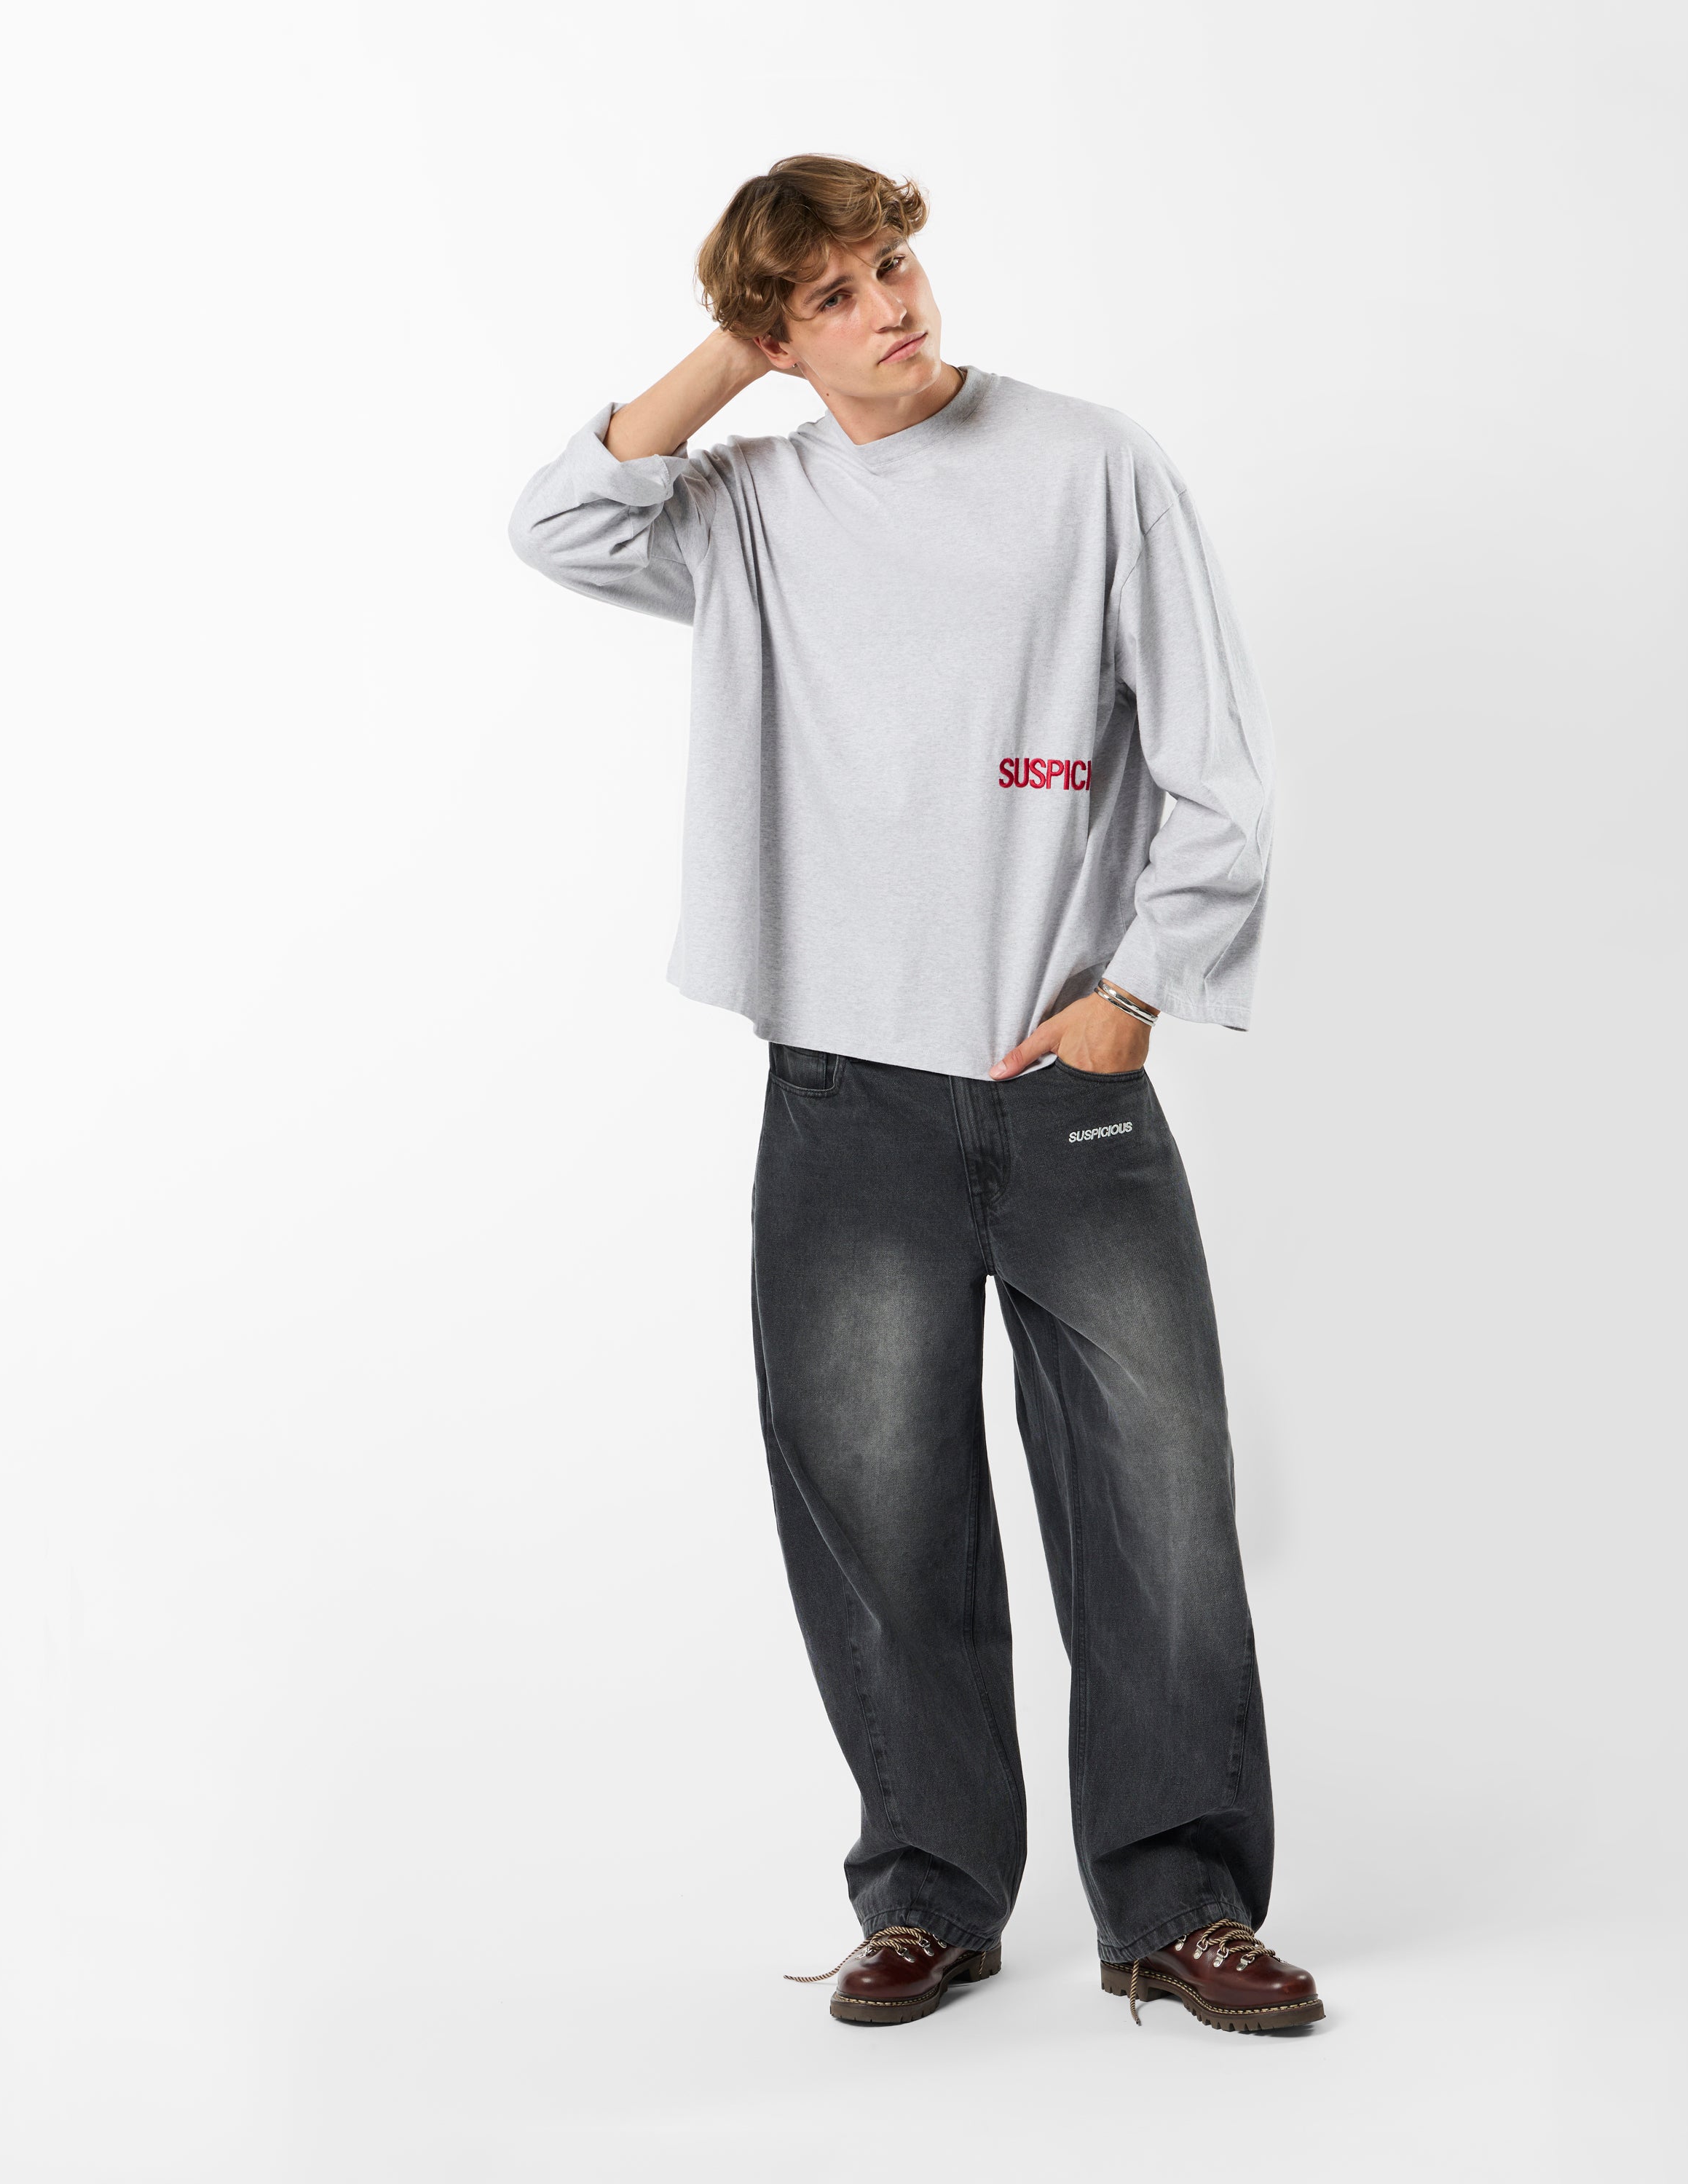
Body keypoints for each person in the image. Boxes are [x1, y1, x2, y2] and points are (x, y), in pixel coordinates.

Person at [508, 155, 1321, 2035]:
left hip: (1066, 1083)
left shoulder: (1091, 465)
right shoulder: (750, 509)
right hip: (843, 1091)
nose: (894, 306)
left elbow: (1217, 760)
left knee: (1158, 1514)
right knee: (881, 1520)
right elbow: (557, 520)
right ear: (776, 338)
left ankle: (1182, 1908)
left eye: (895, 266)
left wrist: (1137, 990)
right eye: (838, 295)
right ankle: (930, 1899)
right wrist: (730, 362)